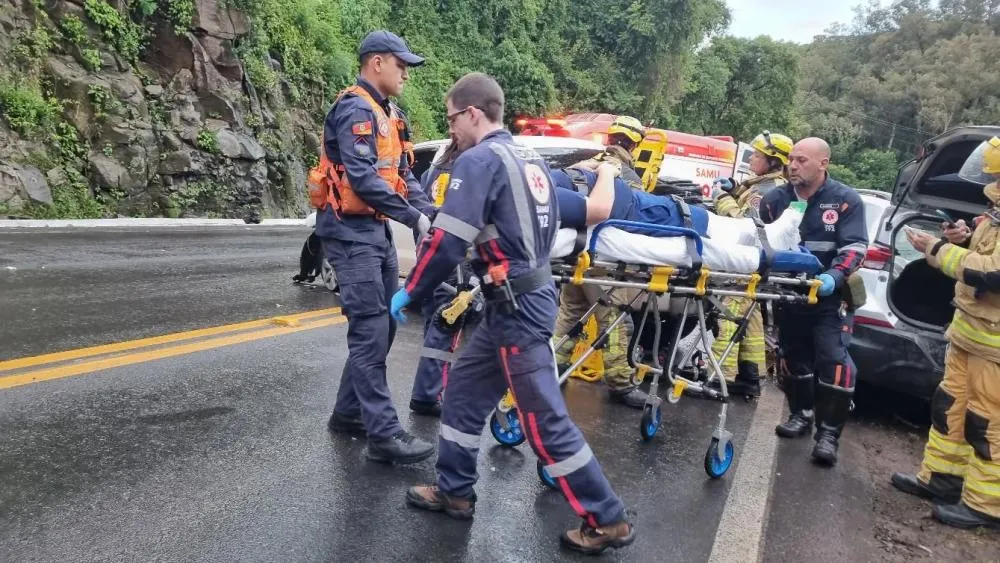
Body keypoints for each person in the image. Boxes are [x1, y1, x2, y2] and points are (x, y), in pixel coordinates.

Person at [391, 73, 635, 555]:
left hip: (516, 306)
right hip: (514, 302)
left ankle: (607, 518)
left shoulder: (480, 160)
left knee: (543, 417)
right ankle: (455, 491)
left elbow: (448, 239)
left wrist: (411, 291)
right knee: (461, 395)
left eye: (451, 119)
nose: (451, 130)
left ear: (472, 113)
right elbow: (583, 211)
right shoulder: (531, 163)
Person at [312, 30, 436, 464]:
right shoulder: (353, 108)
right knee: (368, 331)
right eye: (400, 64)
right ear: (376, 62)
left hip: (375, 231)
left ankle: (349, 414)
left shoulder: (391, 114)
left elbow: (407, 177)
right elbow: (362, 179)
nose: (406, 73)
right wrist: (412, 218)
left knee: (384, 326)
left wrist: (431, 215)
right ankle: (384, 435)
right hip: (348, 231)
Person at [890, 136, 1000, 530]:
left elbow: (991, 273)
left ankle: (987, 505)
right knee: (949, 406)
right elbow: (985, 253)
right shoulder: (995, 214)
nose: (991, 184)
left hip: (994, 348)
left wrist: (939, 250)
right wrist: (962, 237)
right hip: (970, 333)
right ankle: (941, 479)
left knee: (988, 423)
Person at [759, 137, 867, 466]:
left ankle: (828, 435)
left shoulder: (846, 201)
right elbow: (759, 239)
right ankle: (801, 416)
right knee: (793, 355)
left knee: (833, 358)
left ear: (823, 164)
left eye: (801, 160)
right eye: (791, 159)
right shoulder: (774, 199)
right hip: (788, 294)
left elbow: (855, 248)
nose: (792, 165)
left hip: (829, 298)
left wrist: (834, 276)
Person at [708, 131, 794, 397]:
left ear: (772, 161)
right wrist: (734, 188)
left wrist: (721, 198)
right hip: (754, 265)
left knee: (729, 317)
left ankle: (719, 376)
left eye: (757, 155)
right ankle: (750, 375)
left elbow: (747, 225)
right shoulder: (767, 185)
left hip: (744, 264)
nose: (752, 159)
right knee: (752, 321)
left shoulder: (769, 191)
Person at [408, 139, 482, 416]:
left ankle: (426, 391)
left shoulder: (435, 170)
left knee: (433, 325)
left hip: (430, 256)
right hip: (455, 259)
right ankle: (430, 395)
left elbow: (424, 214)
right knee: (446, 328)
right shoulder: (471, 173)